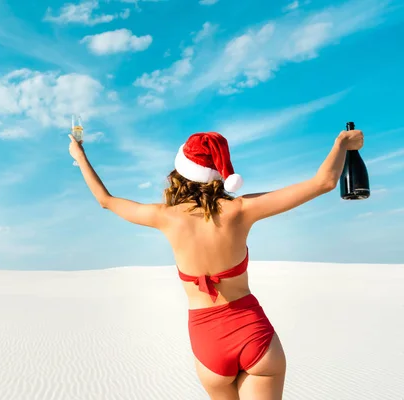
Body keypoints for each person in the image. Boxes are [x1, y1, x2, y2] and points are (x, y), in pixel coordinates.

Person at [68, 127, 364, 400]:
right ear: (219, 174)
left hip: (208, 341)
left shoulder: (164, 216)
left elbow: (105, 200)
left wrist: (80, 156)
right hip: (253, 333)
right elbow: (324, 182)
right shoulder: (241, 209)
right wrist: (341, 144)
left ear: (180, 172)